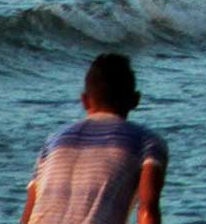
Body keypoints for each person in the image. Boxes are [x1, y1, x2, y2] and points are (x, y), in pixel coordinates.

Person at [20, 52, 167, 224]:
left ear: (84, 100)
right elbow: (147, 211)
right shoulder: (146, 141)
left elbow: (27, 218)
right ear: (135, 100)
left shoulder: (53, 144)